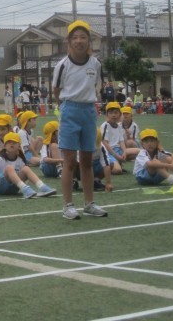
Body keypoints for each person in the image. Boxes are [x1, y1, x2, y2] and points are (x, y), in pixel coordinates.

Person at [52, 19, 108, 220]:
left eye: (83, 37)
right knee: (69, 161)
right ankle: (67, 206)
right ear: (69, 41)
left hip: (89, 112)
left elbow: (97, 86)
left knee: (86, 160)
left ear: (89, 40)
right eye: (75, 37)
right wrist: (65, 108)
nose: (79, 41)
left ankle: (89, 204)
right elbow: (56, 91)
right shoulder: (62, 65)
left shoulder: (96, 64)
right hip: (69, 111)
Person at [0, 132, 56, 199]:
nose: (11, 144)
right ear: (4, 146)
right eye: (9, 142)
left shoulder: (20, 159)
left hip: (14, 189)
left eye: (14, 142)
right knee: (9, 168)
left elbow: (25, 173)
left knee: (26, 168)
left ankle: (42, 187)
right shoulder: (0, 158)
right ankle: (25, 189)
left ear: (19, 146)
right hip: (0, 188)